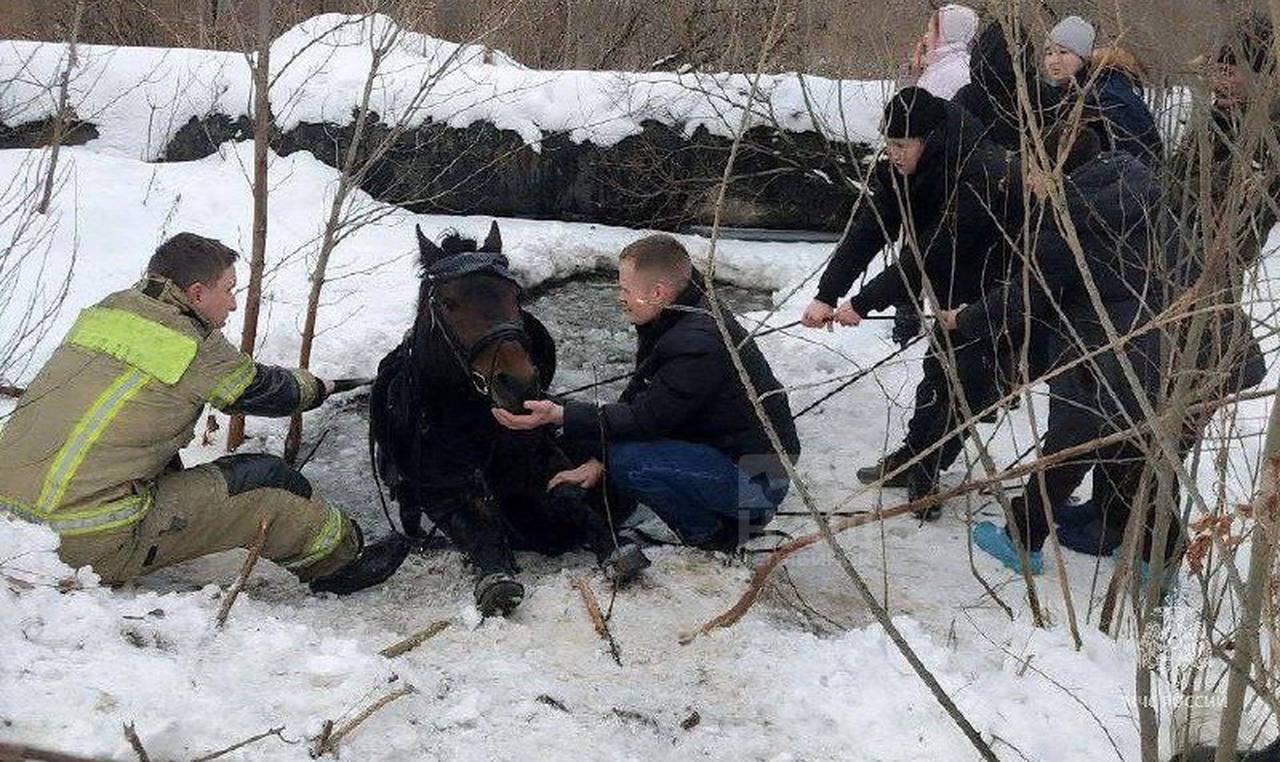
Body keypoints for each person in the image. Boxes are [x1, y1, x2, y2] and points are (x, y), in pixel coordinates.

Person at [0, 233, 408, 594]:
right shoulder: (192, 345)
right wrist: (323, 386)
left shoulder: (110, 311)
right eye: (229, 289)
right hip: (84, 540)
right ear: (196, 294)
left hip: (11, 522)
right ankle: (340, 565)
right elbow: (273, 394)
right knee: (270, 483)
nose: (233, 303)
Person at [947, 125, 1178, 576]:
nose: (1026, 177)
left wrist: (967, 319)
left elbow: (1028, 294)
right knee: (1137, 447)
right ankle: (1154, 557)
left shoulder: (1066, 212)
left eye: (1032, 166)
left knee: (1074, 439)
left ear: (1055, 169)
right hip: (1170, 339)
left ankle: (1023, 538)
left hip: (1106, 345)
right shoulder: (1137, 188)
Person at [494, 234, 800, 551]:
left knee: (627, 460)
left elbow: (645, 419)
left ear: (657, 292)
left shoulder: (696, 342)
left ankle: (713, 537)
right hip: (739, 456)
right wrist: (595, 453)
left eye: (625, 289)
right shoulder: (681, 308)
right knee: (604, 442)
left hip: (759, 484)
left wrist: (561, 415)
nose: (620, 297)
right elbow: (640, 392)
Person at [801, 87, 1018, 514]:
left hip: (1000, 282)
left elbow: (931, 256)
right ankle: (915, 459)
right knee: (941, 371)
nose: (894, 155)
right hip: (953, 279)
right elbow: (869, 229)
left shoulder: (976, 172)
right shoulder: (902, 172)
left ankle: (925, 470)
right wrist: (827, 294)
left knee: (966, 380)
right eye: (889, 145)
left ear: (930, 139)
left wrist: (862, 304)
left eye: (902, 145)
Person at [1041, 15, 1163, 167]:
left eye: (1063, 52)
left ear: (1084, 57)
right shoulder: (1064, 94)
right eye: (1049, 53)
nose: (1053, 60)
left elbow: (1135, 159)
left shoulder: (1108, 96)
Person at [911, 4, 980, 100]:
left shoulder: (943, 75)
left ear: (945, 34)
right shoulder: (963, 64)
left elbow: (919, 110)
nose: (925, 37)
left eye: (930, 31)